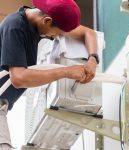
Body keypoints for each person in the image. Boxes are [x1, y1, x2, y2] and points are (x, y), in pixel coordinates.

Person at [0, 0, 99, 149]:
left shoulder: (36, 23)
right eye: (57, 34)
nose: (55, 38)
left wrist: (93, 59)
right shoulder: (14, 26)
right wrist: (66, 71)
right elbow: (18, 78)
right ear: (47, 21)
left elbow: (88, 33)